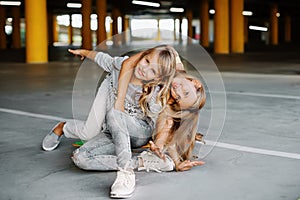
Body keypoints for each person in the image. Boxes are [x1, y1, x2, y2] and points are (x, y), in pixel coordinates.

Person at [42, 45, 178, 198]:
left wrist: (160, 143)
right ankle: (143, 162)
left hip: (138, 132)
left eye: (153, 71)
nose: (145, 70)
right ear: (142, 55)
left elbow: (161, 119)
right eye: (146, 61)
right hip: (115, 132)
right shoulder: (121, 66)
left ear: (158, 77)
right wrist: (84, 53)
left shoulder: (155, 91)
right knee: (80, 157)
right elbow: (102, 58)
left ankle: (126, 172)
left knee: (115, 111)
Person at [149, 70, 206, 171]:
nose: (178, 91)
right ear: (196, 83)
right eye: (186, 92)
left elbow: (167, 128)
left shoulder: (167, 102)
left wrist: (159, 146)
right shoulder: (173, 64)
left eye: (178, 98)